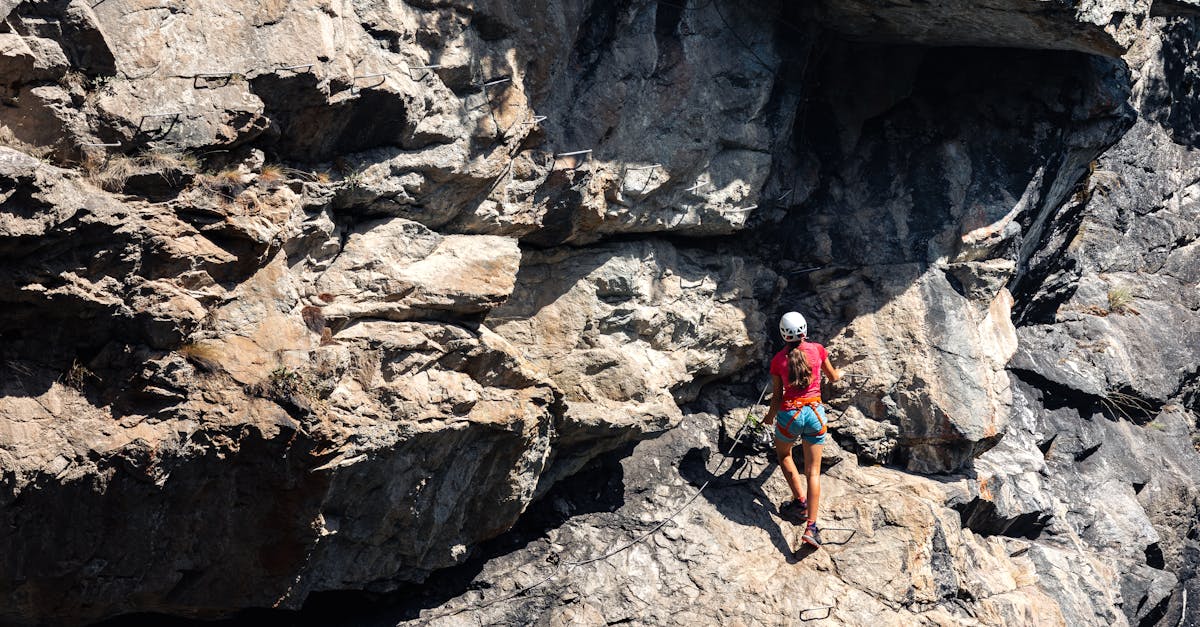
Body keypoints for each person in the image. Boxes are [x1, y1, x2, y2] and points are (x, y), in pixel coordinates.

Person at [763, 311, 841, 549]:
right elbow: (834, 377)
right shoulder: (817, 350)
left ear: (782, 333)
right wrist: (842, 373)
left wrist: (768, 417)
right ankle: (812, 527)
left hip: (790, 415)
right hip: (816, 414)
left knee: (784, 455)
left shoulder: (778, 360)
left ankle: (800, 501)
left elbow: (777, 397)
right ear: (804, 330)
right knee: (813, 472)